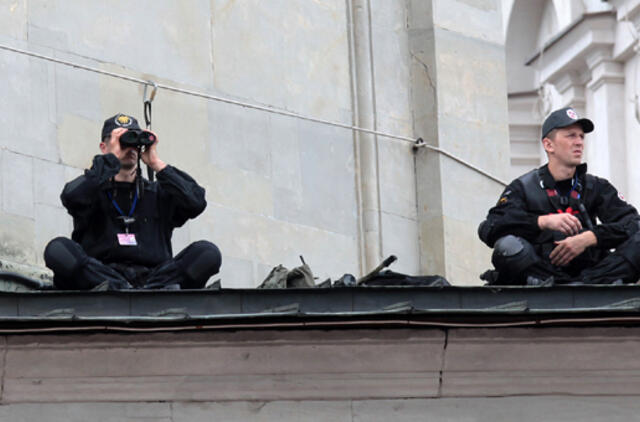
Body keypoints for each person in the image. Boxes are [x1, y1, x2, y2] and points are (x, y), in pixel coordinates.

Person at [44, 113, 221, 290]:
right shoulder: (92, 190)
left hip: (154, 280)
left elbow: (196, 202)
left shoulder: (157, 193)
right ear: (104, 147)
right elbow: (70, 198)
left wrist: (156, 163)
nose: (130, 148)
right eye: (122, 141)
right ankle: (121, 290)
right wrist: (110, 161)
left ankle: (146, 293)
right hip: (102, 280)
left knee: (207, 253)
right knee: (58, 249)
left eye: (134, 142)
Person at [478, 107, 640, 285]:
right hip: (543, 277)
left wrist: (589, 238)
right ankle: (553, 286)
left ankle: (585, 286)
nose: (579, 142)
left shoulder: (596, 187)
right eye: (571, 135)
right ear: (548, 145)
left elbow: (632, 223)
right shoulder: (523, 187)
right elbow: (490, 227)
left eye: (581, 136)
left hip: (593, 278)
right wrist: (542, 222)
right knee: (507, 246)